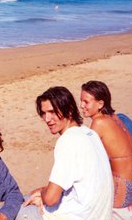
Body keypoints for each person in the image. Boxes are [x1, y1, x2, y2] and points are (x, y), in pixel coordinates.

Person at [20, 86, 113, 220]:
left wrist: (42, 193)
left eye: (52, 112)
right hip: (100, 214)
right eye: (43, 113)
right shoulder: (90, 133)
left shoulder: (68, 140)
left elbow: (51, 199)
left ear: (69, 110)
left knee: (14, 208)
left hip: (81, 215)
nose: (47, 119)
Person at [80, 81, 132, 208]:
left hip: (119, 194)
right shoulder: (114, 117)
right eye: (81, 101)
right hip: (131, 188)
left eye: (86, 102)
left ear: (100, 104)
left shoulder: (99, 123)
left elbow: (86, 159)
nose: (81, 105)